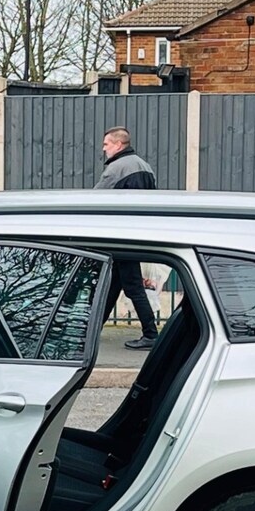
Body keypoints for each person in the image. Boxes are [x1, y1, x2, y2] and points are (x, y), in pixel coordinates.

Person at [92, 126, 159, 349]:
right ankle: (92, 331)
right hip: (137, 235)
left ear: (118, 145)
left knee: (133, 288)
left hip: (120, 236)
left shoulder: (117, 168)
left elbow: (94, 201)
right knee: (113, 286)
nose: (104, 149)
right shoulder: (144, 166)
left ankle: (150, 335)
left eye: (106, 144)